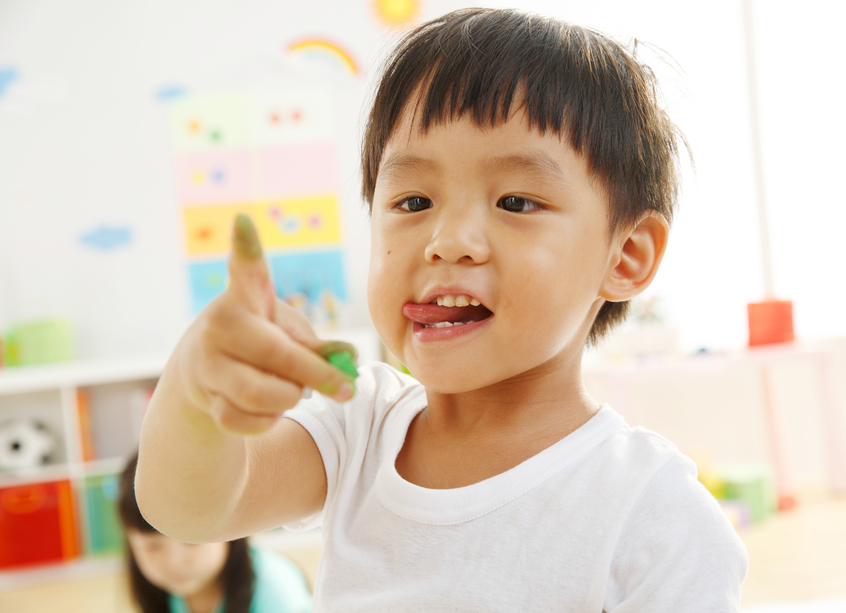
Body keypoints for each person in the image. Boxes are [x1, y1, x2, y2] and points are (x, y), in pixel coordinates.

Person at [136, 7, 748, 611]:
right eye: (412, 200)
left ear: (626, 256)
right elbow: (190, 510)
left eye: (514, 200)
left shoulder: (655, 515)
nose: (447, 240)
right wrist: (194, 388)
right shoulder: (357, 428)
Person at [117, 452, 313, 613]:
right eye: (151, 547)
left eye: (191, 542)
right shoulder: (161, 595)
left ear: (230, 528)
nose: (174, 561)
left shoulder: (276, 590)